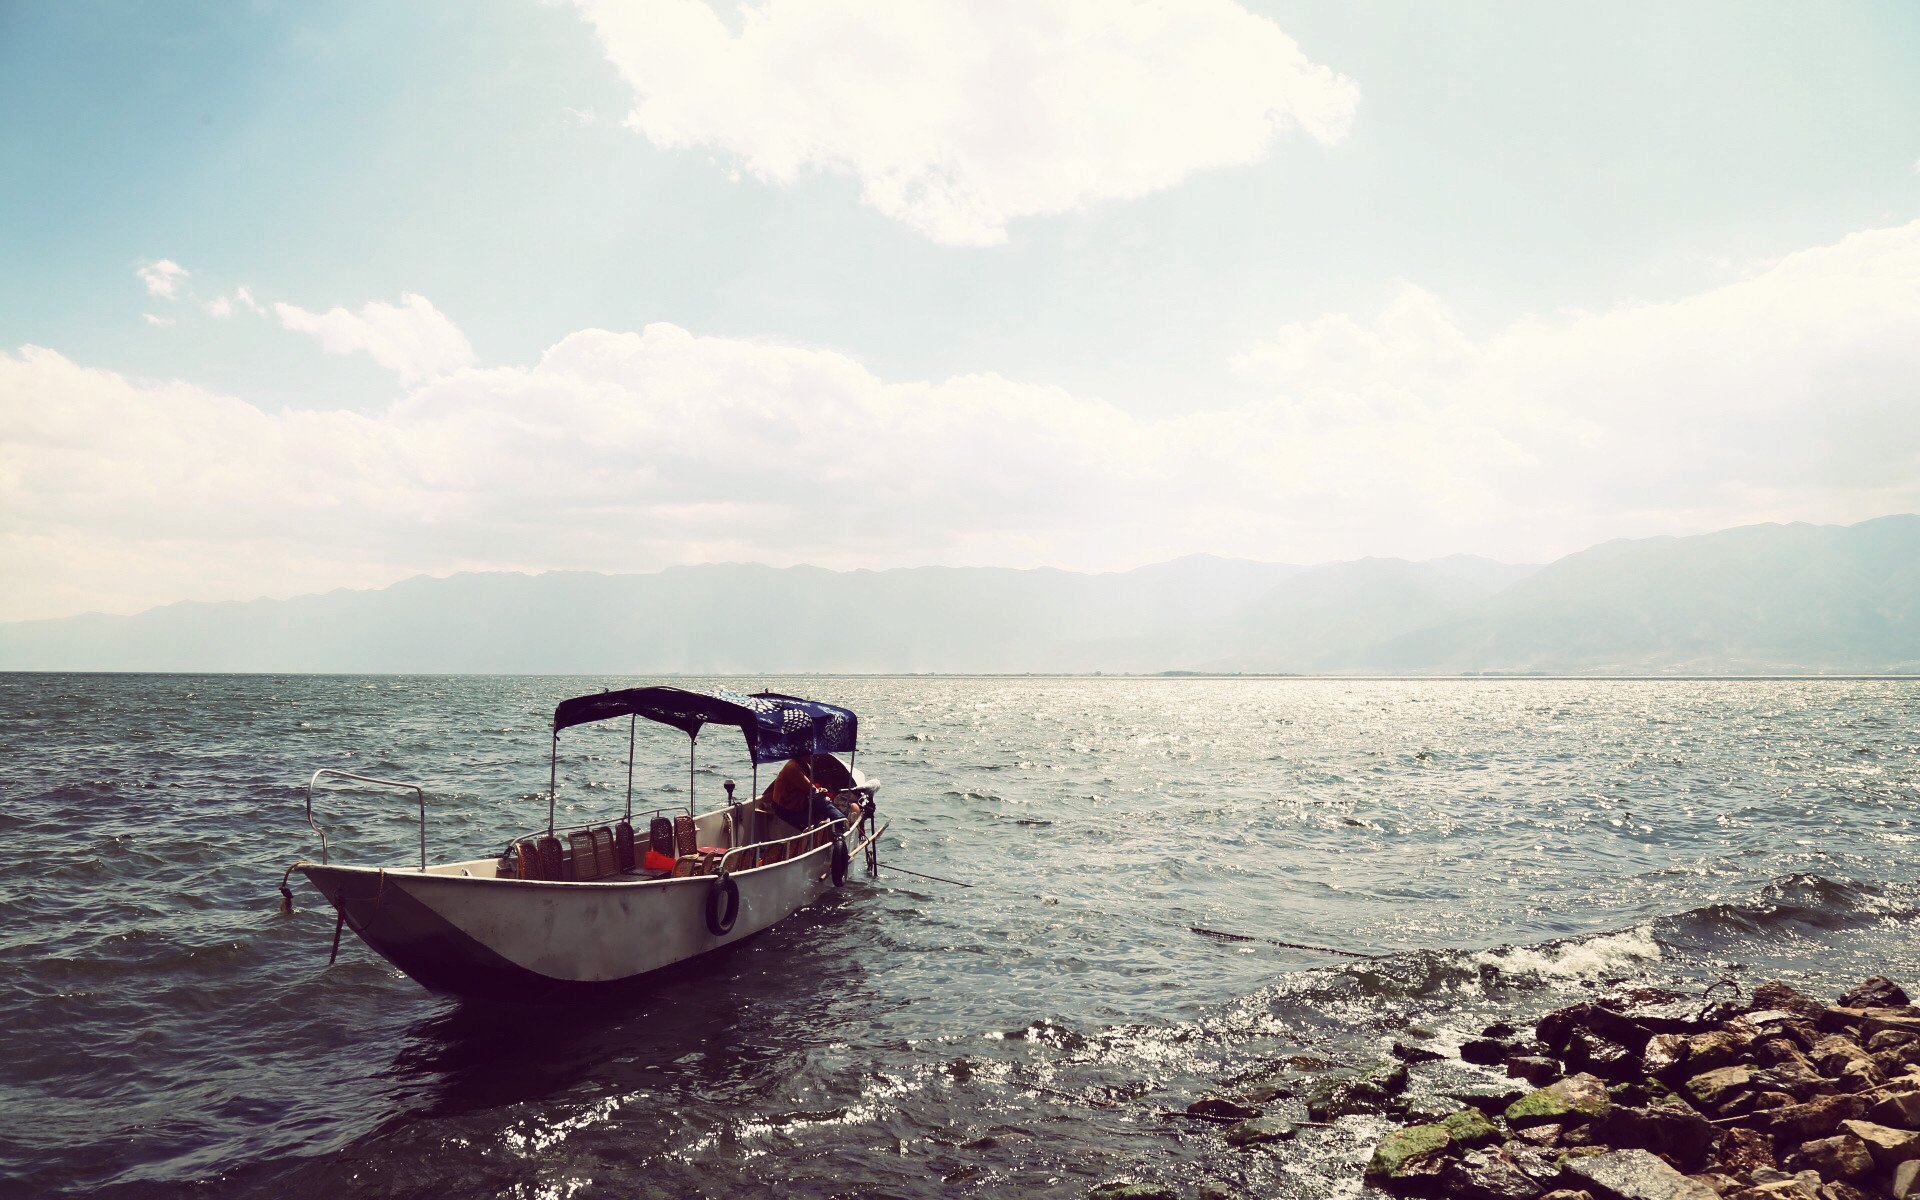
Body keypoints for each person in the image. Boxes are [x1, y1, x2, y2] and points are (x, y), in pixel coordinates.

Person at [762, 754, 863, 832]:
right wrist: (820, 791)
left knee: (824, 802)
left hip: (800, 803)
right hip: (786, 809)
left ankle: (840, 819)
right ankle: (837, 824)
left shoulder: (804, 765)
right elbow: (811, 789)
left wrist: (820, 791)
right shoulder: (792, 767)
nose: (813, 756)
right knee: (815, 823)